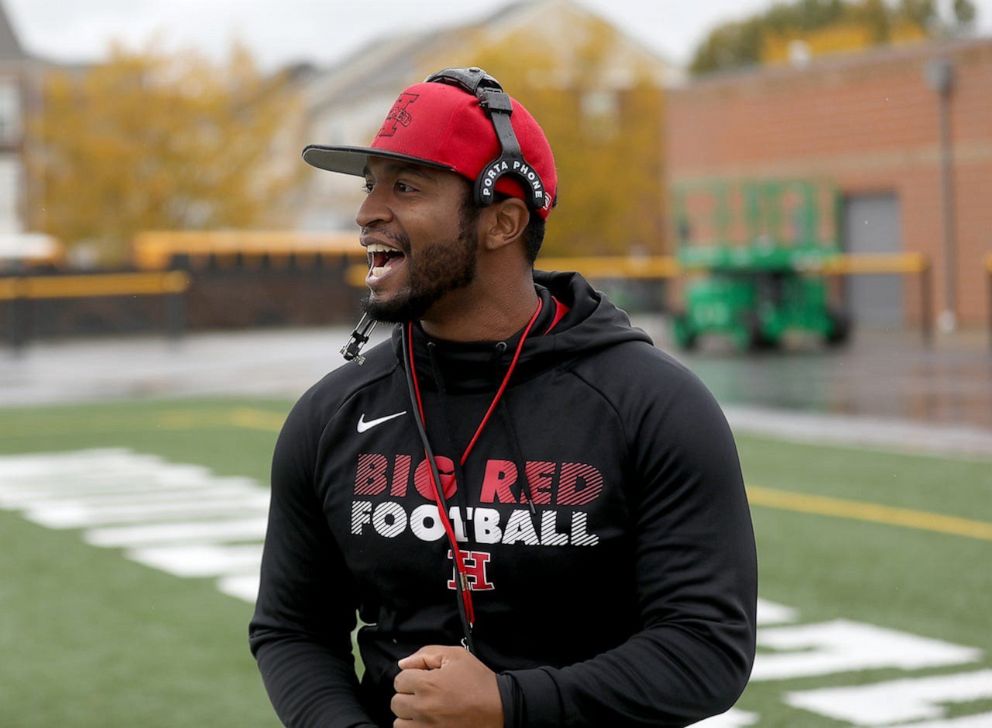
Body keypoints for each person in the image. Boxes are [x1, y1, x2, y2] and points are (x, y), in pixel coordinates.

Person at [249, 67, 757, 728]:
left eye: (404, 186)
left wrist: (508, 705)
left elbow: (706, 648)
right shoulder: (330, 416)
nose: (368, 211)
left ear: (503, 221)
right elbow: (292, 629)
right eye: (370, 184)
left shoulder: (653, 406)